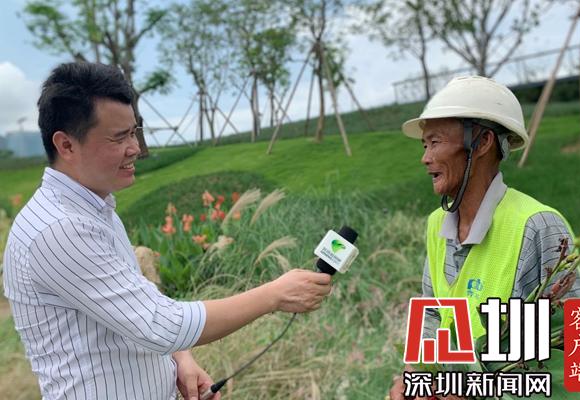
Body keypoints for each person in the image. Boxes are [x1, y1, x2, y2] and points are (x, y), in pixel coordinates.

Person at [2, 62, 332, 400]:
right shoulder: (59, 228)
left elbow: (133, 304)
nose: (136, 148)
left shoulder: (94, 209)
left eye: (133, 132)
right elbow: (160, 324)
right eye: (119, 137)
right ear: (67, 145)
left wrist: (180, 359)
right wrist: (274, 295)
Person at [389, 76, 580, 400]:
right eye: (424, 145)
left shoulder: (538, 226)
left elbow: (579, 356)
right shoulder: (437, 224)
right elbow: (433, 312)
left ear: (481, 143)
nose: (425, 157)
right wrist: (414, 376)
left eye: (435, 142)